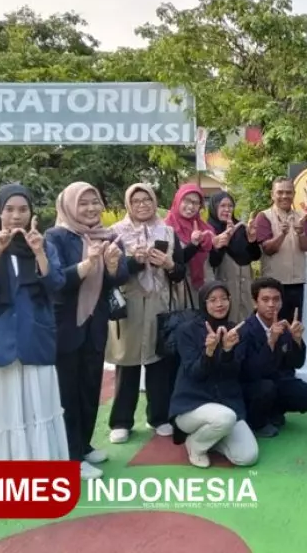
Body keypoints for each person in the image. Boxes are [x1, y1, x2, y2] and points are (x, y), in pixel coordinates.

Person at [0, 184, 69, 486]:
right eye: (9, 209)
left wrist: (39, 253)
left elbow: (57, 284)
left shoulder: (42, 245)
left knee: (37, 405)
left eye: (23, 209)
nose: (16, 216)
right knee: (1, 408)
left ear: (31, 213)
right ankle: (0, 476)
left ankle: (40, 474)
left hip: (35, 336)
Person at [45, 182, 129, 480]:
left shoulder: (107, 236)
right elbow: (54, 282)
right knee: (67, 392)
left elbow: (117, 278)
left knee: (90, 387)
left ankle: (84, 444)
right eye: (84, 203)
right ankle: (70, 455)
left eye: (95, 202)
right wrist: (87, 264)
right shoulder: (55, 237)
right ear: (69, 206)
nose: (92, 208)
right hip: (67, 324)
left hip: (95, 323)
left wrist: (113, 266)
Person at [105, 183, 187, 444]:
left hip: (160, 305)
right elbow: (108, 274)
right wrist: (134, 262)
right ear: (128, 204)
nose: (142, 205)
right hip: (128, 306)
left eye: (147, 200)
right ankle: (121, 422)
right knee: (126, 365)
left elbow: (180, 273)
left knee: (159, 364)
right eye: (136, 200)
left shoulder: (168, 232)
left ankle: (159, 417)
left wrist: (169, 263)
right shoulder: (114, 234)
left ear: (155, 202)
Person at [170, 280, 259, 468]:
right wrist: (208, 352)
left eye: (223, 299)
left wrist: (227, 350)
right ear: (204, 303)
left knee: (247, 457)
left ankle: (213, 437)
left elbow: (234, 372)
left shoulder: (235, 331)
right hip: (192, 407)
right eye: (213, 300)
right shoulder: (187, 330)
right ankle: (195, 445)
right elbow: (195, 374)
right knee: (224, 418)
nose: (219, 304)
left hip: (227, 405)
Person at [239, 276, 307, 437]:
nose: (271, 304)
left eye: (276, 299)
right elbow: (252, 372)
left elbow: (297, 364)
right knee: (266, 388)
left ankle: (275, 411)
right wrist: (271, 342)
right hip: (253, 386)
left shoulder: (284, 326)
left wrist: (297, 341)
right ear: (255, 303)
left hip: (278, 382)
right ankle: (257, 423)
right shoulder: (245, 330)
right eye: (265, 299)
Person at [253, 177, 307, 321]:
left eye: (288, 192)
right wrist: (282, 234)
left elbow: (306, 246)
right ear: (272, 194)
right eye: (280, 192)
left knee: (294, 325)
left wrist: (301, 234)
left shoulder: (303, 217)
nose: (284, 196)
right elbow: (267, 249)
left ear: (294, 194)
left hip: (296, 283)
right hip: (272, 285)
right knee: (273, 325)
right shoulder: (263, 217)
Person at [207, 191, 262, 322]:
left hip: (245, 288)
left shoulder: (240, 228)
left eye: (230, 206)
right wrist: (222, 243)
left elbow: (255, 256)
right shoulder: (208, 230)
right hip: (223, 289)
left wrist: (252, 240)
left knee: (246, 324)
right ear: (214, 208)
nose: (227, 209)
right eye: (222, 206)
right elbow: (212, 262)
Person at [164, 183, 216, 305]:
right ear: (177, 200)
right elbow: (174, 260)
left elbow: (213, 262)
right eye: (186, 200)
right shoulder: (166, 228)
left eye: (196, 203)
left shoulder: (205, 228)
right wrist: (193, 244)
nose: (191, 206)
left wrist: (218, 247)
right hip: (180, 289)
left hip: (205, 287)